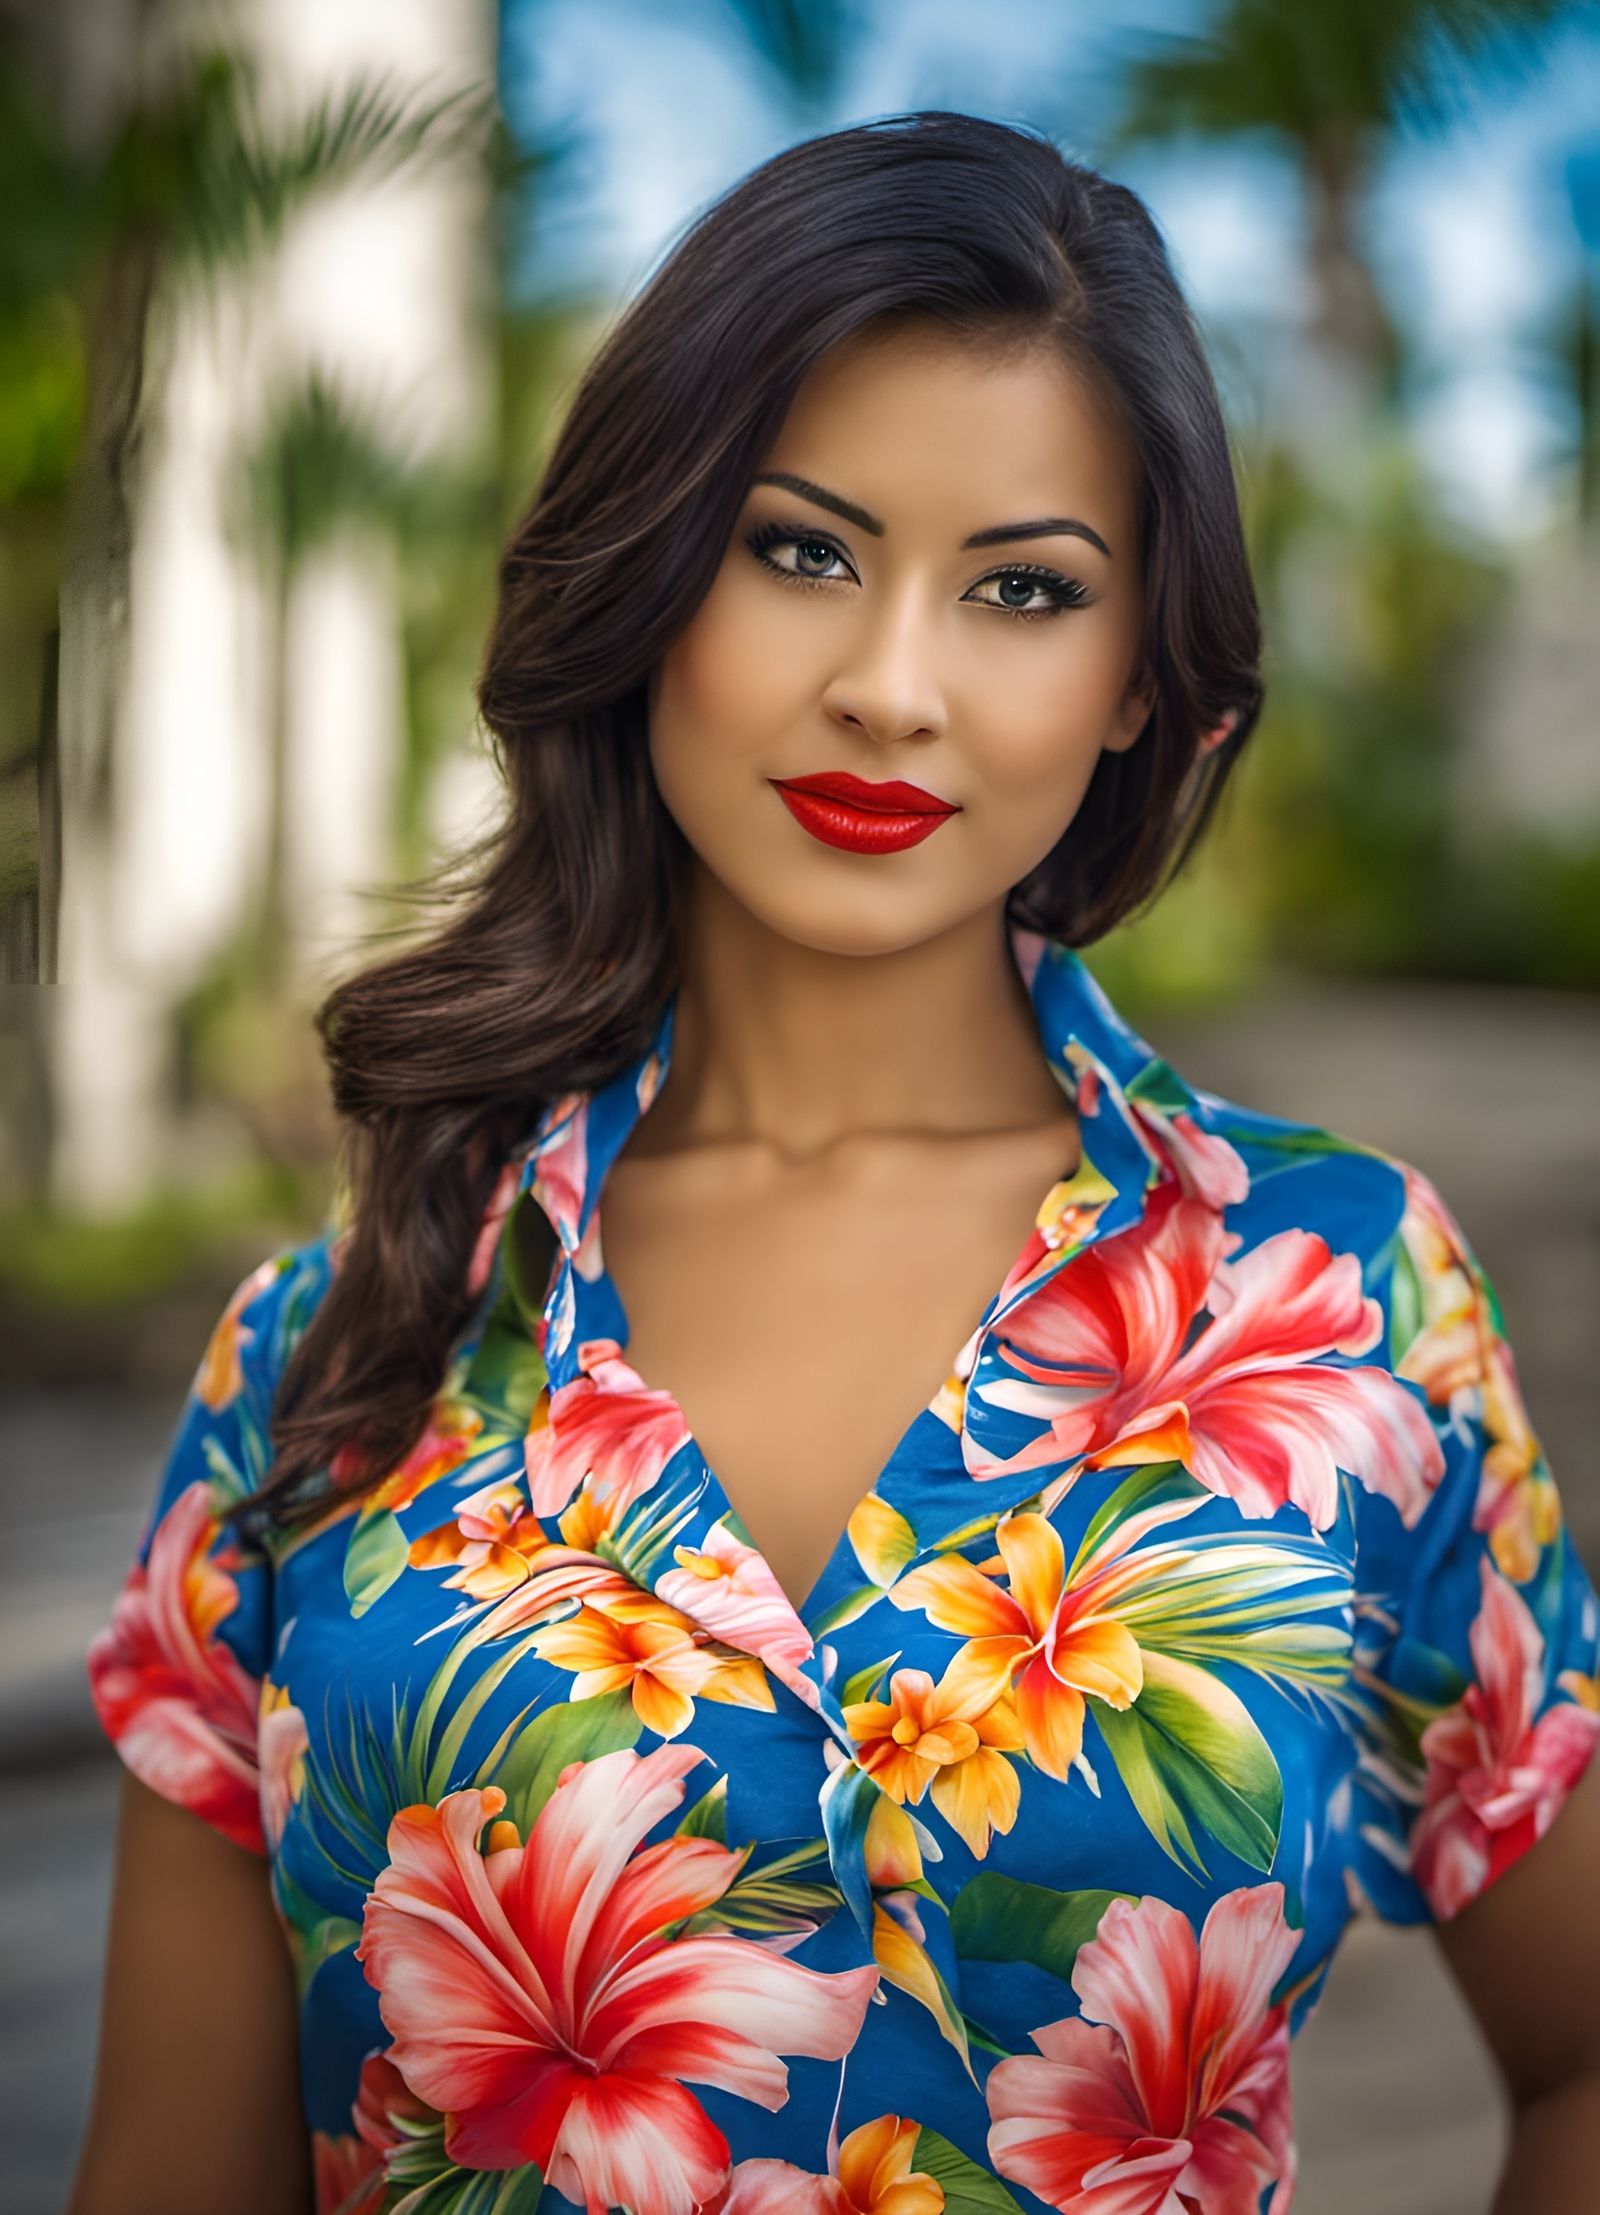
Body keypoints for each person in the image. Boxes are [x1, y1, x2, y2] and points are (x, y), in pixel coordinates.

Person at [67, 110, 1600, 2215]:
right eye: (799, 548)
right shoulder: (337, 1335)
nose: (888, 686)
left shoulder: (1339, 1299)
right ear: (651, 578)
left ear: (1144, 683)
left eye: (1021, 590)